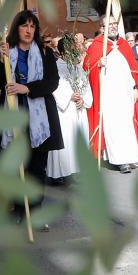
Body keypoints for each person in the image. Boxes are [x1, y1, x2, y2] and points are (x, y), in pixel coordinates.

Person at [0, 10, 63, 213]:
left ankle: (35, 209)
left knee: (37, 167)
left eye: (32, 26)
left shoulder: (45, 52)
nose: (29, 30)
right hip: (13, 111)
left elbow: (52, 83)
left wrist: (27, 88)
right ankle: (20, 208)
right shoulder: (6, 51)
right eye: (24, 25)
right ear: (16, 28)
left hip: (40, 117)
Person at [84, 15, 138, 173]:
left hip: (125, 94)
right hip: (108, 96)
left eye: (114, 23)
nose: (113, 26)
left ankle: (128, 157)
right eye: (109, 24)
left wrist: (135, 88)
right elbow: (86, 70)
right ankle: (119, 160)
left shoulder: (124, 45)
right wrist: (98, 64)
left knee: (126, 126)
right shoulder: (96, 46)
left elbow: (132, 70)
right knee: (114, 127)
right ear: (102, 28)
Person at [47, 37, 93, 181]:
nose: (73, 51)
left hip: (78, 110)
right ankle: (61, 173)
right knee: (66, 139)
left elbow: (85, 85)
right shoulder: (56, 67)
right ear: (62, 51)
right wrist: (69, 96)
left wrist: (83, 99)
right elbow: (54, 87)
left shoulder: (78, 68)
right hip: (64, 111)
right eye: (69, 49)